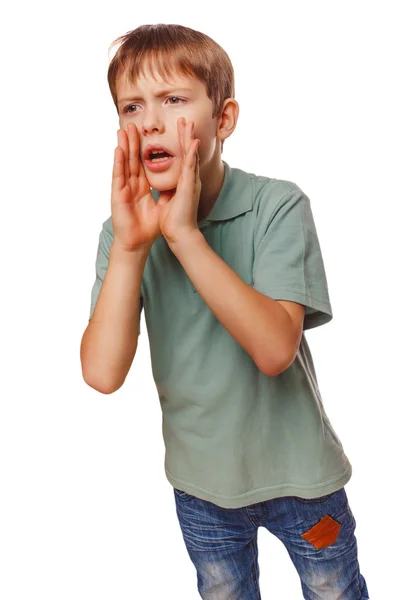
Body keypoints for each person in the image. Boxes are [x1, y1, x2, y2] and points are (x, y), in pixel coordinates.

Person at [80, 23, 369, 599]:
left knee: (334, 589)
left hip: (303, 480)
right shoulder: (124, 234)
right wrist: (135, 248)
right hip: (201, 487)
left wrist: (185, 236)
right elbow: (102, 374)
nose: (151, 122)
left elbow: (273, 350)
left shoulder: (276, 205)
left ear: (224, 119)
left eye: (174, 100)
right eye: (131, 106)